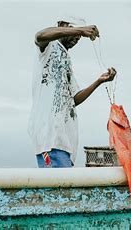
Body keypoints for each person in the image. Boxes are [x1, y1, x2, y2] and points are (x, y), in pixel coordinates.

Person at [28, 18, 117, 168]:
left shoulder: (66, 59)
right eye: (75, 31)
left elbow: (74, 99)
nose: (78, 37)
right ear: (61, 25)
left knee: (62, 189)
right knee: (57, 190)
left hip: (65, 141)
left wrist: (99, 81)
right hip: (50, 140)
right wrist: (80, 30)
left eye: (80, 35)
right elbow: (39, 35)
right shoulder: (48, 47)